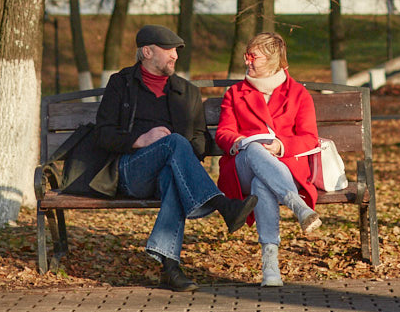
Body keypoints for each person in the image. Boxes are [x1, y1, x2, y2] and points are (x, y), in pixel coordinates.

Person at [93, 24, 258, 292]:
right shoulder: (121, 83)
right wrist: (141, 139)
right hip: (130, 171)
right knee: (173, 142)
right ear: (147, 51)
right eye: (168, 49)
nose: (175, 56)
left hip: (171, 172)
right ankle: (222, 204)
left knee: (173, 168)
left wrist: (181, 156)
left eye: (177, 51)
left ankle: (170, 269)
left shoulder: (187, 91)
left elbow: (201, 139)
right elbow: (102, 135)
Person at [215, 32, 322, 287]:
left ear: (273, 59)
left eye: (253, 56)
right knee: (254, 149)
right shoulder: (235, 93)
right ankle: (297, 206)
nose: (247, 61)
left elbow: (309, 138)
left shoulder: (297, 94)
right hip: (243, 164)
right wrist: (241, 142)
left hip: (284, 167)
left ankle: (270, 264)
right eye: (246, 55)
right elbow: (223, 133)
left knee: (262, 185)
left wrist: (280, 145)